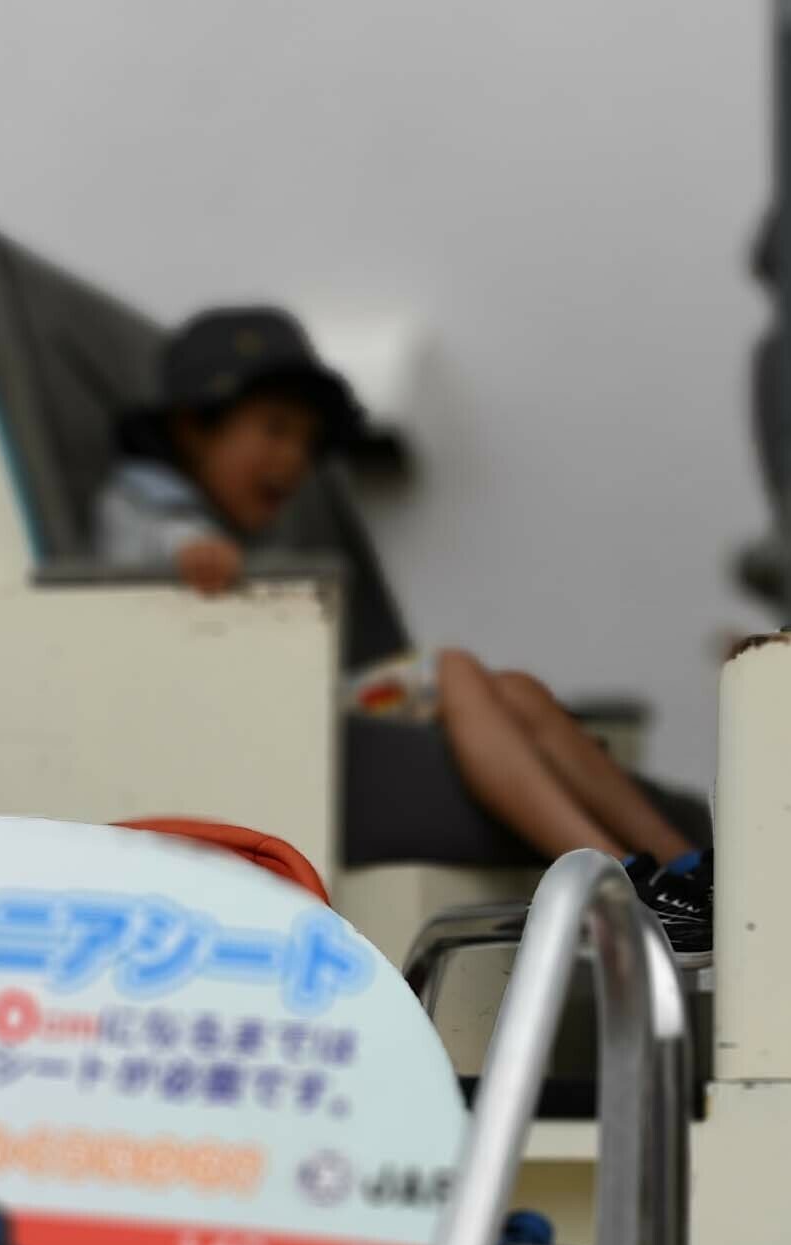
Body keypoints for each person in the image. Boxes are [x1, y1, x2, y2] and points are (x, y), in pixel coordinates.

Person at [96, 307, 698, 885]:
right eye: (275, 429)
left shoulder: (228, 522)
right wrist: (194, 551)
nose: (293, 459)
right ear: (192, 427)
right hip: (269, 716)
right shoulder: (145, 501)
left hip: (289, 701)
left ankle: (688, 867)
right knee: (453, 669)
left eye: (306, 442)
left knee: (517, 690)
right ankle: (616, 873)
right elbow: (154, 542)